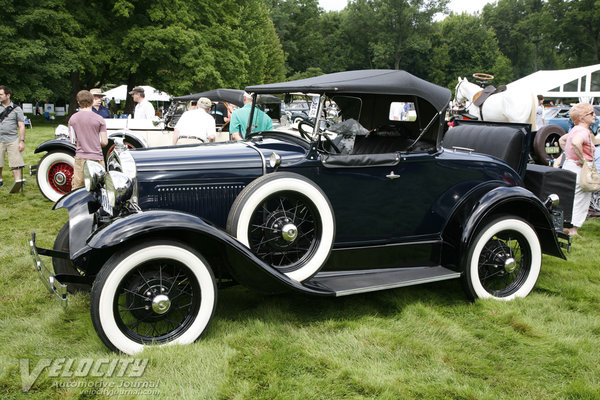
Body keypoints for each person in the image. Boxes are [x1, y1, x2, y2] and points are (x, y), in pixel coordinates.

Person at [558, 102, 600, 236]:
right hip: (579, 168)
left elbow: (562, 140)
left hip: (569, 165)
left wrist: (568, 154)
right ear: (582, 117)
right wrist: (582, 159)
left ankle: (565, 226)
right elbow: (576, 142)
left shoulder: (574, 129)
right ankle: (573, 229)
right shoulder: (583, 131)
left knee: (570, 197)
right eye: (591, 113)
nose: (594, 116)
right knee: (581, 198)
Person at [68, 90, 108, 189]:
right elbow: (104, 142)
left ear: (78, 102)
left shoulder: (72, 119)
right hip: (97, 158)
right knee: (100, 187)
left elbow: (73, 141)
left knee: (77, 188)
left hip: (81, 158)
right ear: (92, 101)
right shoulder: (99, 119)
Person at [0, 85, 26, 189]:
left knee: (16, 162)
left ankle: (18, 181)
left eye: (1, 94)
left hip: (13, 139)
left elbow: (21, 125)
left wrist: (22, 141)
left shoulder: (17, 109)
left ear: (8, 95)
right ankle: (0, 180)